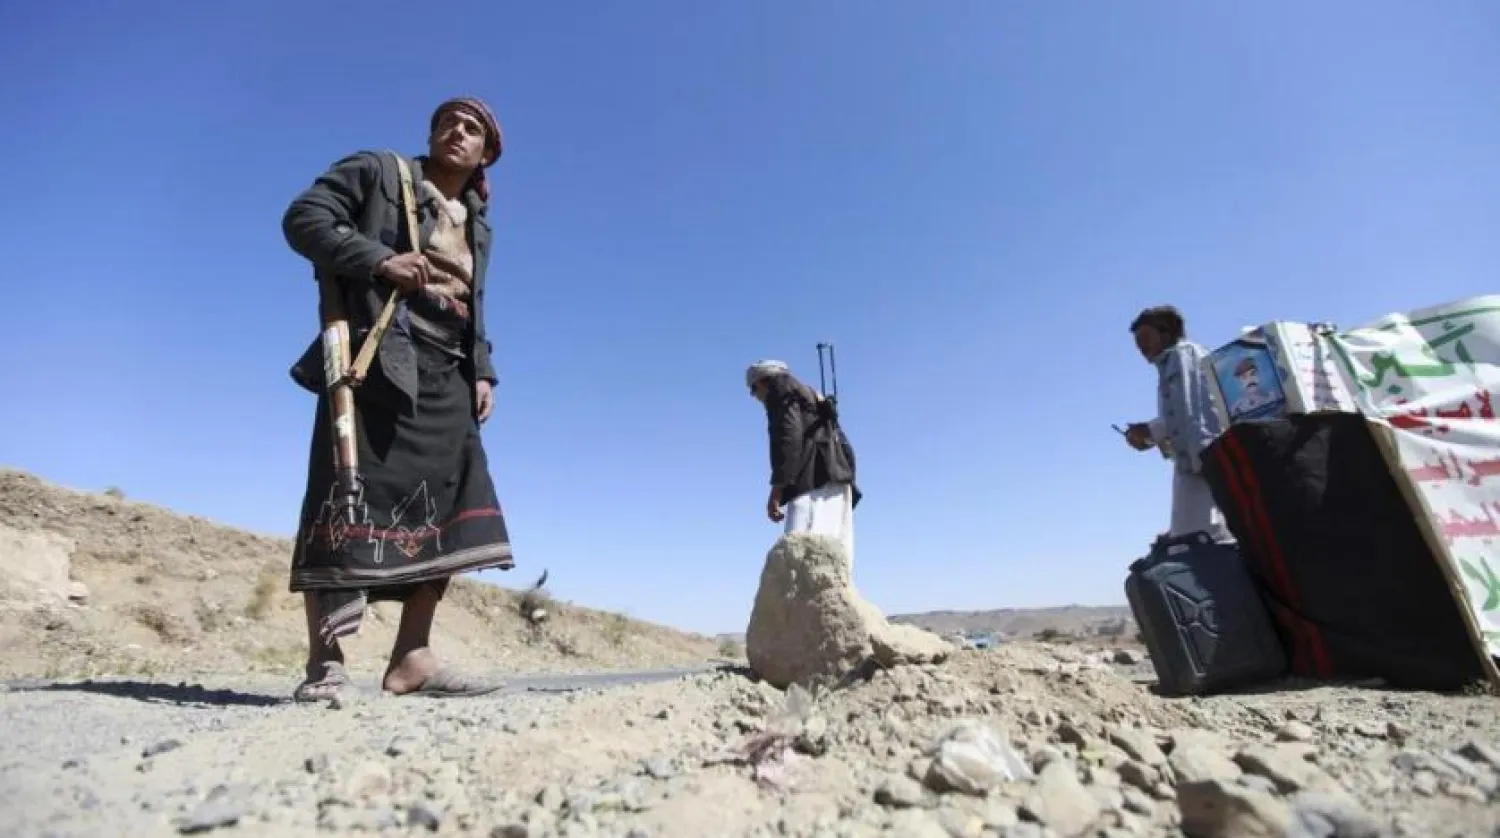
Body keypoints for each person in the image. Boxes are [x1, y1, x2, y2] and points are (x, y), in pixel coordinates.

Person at [280, 97, 514, 701]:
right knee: (345, 493)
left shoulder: (478, 222)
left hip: (450, 370)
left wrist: (482, 370)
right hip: (379, 354)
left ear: (486, 153)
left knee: (453, 502)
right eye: (447, 123)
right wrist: (380, 260)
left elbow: (474, 301)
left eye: (472, 129)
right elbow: (304, 218)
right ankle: (325, 662)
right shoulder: (379, 171)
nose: (456, 132)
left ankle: (412, 657)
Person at [1122, 306, 1234, 543]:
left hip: (1201, 462)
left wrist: (1150, 431)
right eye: (1137, 342)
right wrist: (1151, 436)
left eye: (1145, 337)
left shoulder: (1182, 355)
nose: (1140, 347)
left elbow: (1192, 408)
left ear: (1166, 333)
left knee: (1203, 541)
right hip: (1195, 463)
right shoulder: (1172, 362)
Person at [746, 360, 863, 570]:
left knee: (798, 554)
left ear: (764, 381)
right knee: (834, 560)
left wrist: (777, 489)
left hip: (814, 481)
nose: (754, 396)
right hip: (839, 478)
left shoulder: (781, 388)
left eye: (753, 389)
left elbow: (787, 438)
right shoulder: (812, 396)